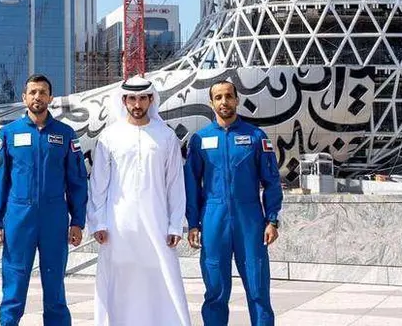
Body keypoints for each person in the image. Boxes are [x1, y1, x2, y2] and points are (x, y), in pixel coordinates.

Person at [87, 75, 191, 326]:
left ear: (150, 100)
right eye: (132, 98)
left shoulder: (165, 136)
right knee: (121, 283)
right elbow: (98, 184)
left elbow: (175, 184)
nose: (137, 103)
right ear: (124, 101)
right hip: (117, 225)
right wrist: (98, 222)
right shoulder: (109, 136)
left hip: (157, 223)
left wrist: (175, 224)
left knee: (162, 280)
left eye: (142, 98)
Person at [0, 74, 89, 326]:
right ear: (24, 98)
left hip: (54, 218)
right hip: (19, 218)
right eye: (32, 92)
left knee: (55, 285)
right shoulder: (8, 134)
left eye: (43, 92)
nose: (37, 97)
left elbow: (77, 181)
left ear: (51, 98)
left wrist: (77, 221)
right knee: (14, 283)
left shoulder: (65, 134)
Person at [184, 80, 283, 326]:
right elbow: (192, 186)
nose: (224, 102)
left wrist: (272, 219)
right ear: (211, 103)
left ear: (237, 99)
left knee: (258, 288)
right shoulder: (199, 140)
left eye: (228, 96)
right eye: (218, 97)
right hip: (213, 219)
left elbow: (271, 181)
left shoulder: (255, 136)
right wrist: (193, 223)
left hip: (249, 220)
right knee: (215, 290)